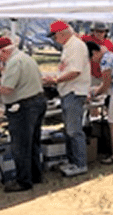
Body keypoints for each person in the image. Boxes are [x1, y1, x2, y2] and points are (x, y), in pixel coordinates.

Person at [0, 37, 47, 192]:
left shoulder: (14, 62)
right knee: (33, 142)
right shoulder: (27, 58)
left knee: (20, 145)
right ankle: (35, 175)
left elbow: (8, 89)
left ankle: (23, 181)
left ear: (5, 51)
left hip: (23, 106)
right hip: (37, 101)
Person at [43, 20, 91, 177]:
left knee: (74, 130)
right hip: (68, 91)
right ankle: (73, 161)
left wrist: (56, 80)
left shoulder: (76, 46)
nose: (54, 40)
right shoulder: (69, 46)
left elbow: (75, 71)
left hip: (74, 91)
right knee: (70, 130)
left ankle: (80, 163)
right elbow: (68, 69)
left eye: (54, 36)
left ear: (62, 34)